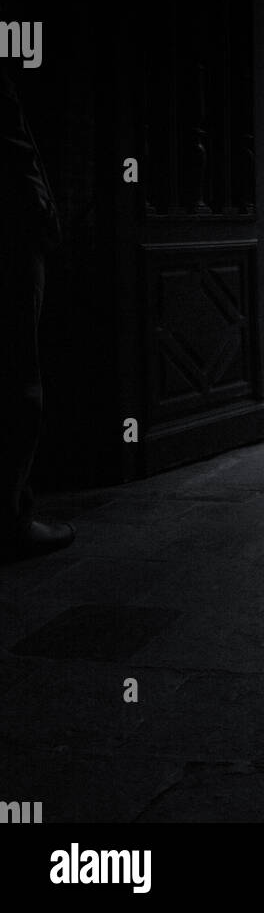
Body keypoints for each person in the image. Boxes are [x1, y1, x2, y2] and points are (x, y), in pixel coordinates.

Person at [0, 60, 75, 560]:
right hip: (11, 237)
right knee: (18, 379)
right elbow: (14, 143)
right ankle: (11, 518)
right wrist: (42, 214)